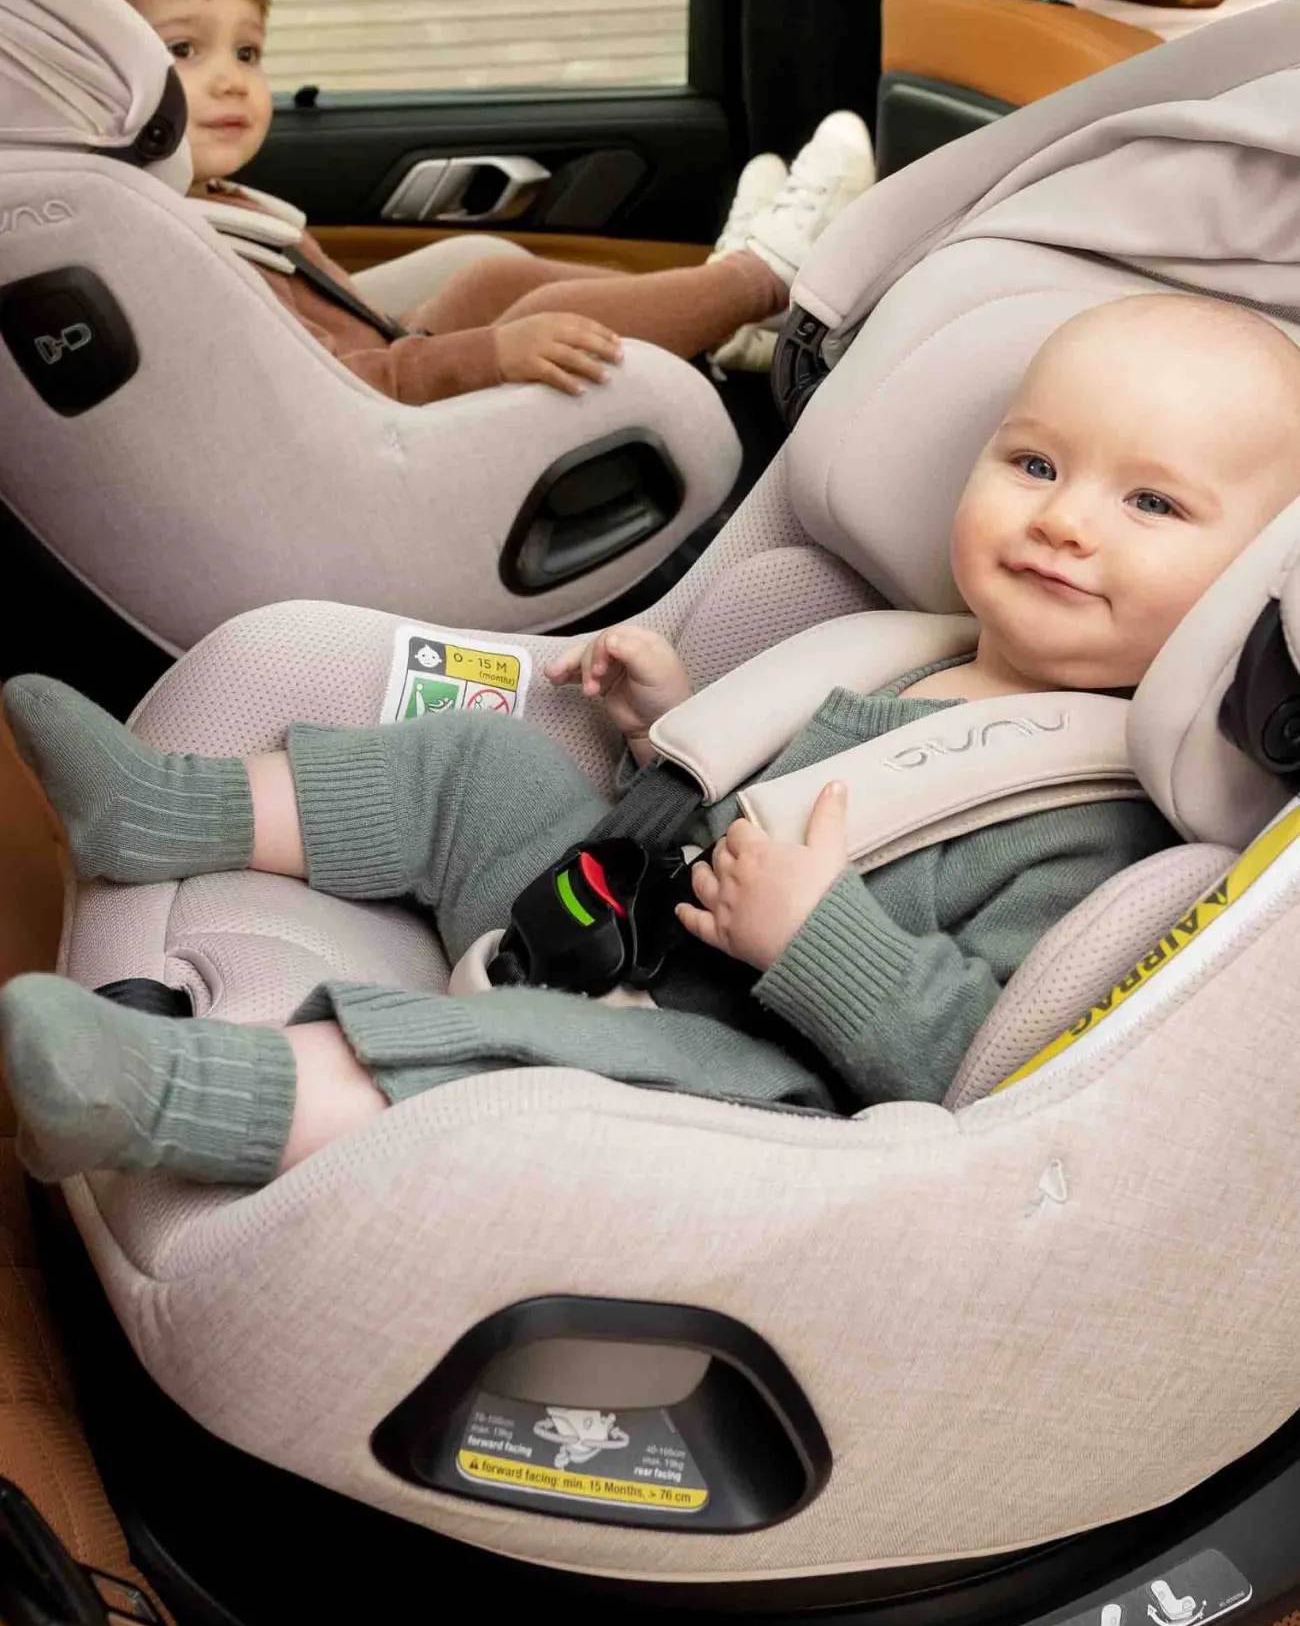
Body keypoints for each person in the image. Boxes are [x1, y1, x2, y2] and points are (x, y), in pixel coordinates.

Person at [4, 293, 1299, 1187]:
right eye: (1034, 465)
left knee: (554, 1056)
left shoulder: (1105, 822)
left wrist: (820, 936)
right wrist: (662, 725)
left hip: (744, 1074)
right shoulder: (892, 646)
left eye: (1151, 502)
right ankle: (161, 806)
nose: (1065, 520)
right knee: (486, 761)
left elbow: (986, 1065)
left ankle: (168, 1090)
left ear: (1251, 583)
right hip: (616, 916)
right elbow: (713, 816)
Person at [23, 0, 875, 400]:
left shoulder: (203, 200)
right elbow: (338, 388)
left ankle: (725, 314)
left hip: (380, 365)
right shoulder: (177, 244)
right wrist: (491, 354)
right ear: (85, 73)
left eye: (248, 52)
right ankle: (766, 278)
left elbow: (338, 327)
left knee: (493, 275)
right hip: (381, 415)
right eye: (182, 49)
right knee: (532, 314)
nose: (232, 81)